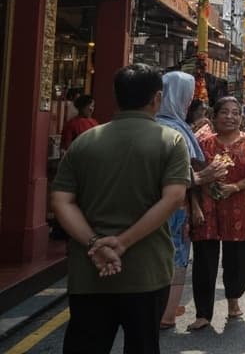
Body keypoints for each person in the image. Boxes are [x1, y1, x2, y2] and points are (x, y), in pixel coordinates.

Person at [50, 64, 192, 353]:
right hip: (146, 271)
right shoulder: (171, 140)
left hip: (90, 270)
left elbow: (61, 201)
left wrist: (95, 244)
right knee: (142, 345)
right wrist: (122, 243)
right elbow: (174, 197)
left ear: (116, 97)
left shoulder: (85, 142)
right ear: (157, 98)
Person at [157, 71, 229, 330]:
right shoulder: (174, 130)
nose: (190, 102)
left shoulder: (163, 125)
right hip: (174, 206)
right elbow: (179, 174)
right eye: (187, 96)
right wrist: (202, 177)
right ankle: (165, 313)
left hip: (163, 205)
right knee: (175, 256)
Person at [189, 96, 245, 331]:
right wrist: (194, 206)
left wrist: (236, 186)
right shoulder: (203, 143)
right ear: (214, 116)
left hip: (239, 209)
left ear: (241, 118)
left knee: (238, 261)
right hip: (208, 209)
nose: (230, 117)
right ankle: (203, 313)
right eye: (224, 112)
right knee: (204, 261)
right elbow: (190, 177)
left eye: (235, 113)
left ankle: (233, 300)